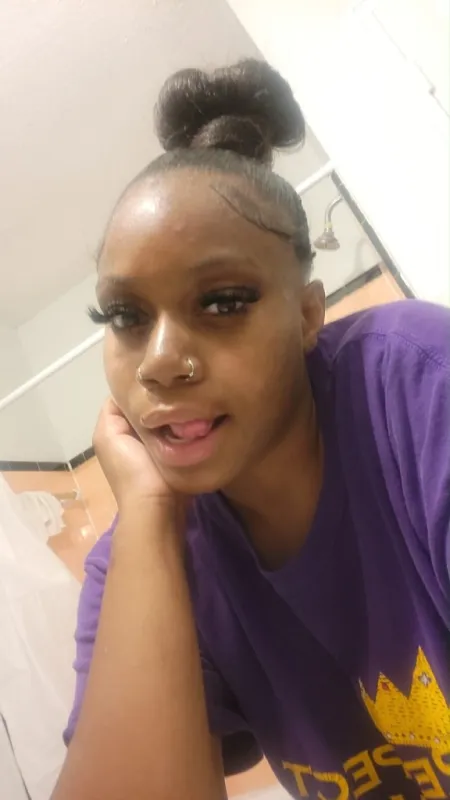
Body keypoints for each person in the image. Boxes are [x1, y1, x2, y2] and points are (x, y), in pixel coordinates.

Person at [52, 60, 450, 800]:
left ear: (306, 315)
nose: (159, 362)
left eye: (223, 302)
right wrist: (150, 514)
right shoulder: (136, 559)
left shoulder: (417, 383)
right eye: (125, 316)